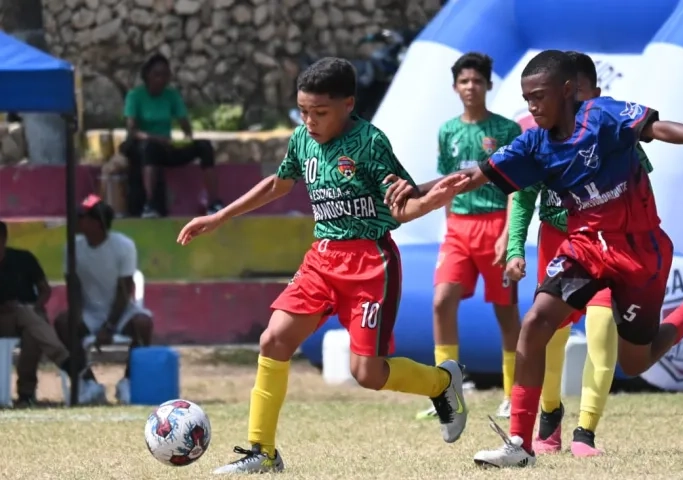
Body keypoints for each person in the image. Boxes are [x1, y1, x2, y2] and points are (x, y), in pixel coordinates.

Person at [384, 49, 683, 468]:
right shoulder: (534, 144)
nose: (532, 106)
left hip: (639, 251)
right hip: (585, 247)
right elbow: (472, 176)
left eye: (539, 96)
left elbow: (657, 127)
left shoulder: (602, 116)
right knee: (536, 322)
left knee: (635, 362)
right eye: (527, 98)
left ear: (568, 91)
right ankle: (520, 443)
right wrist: (417, 191)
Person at [176, 57, 471, 475]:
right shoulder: (302, 140)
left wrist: (436, 199)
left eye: (320, 112)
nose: (310, 121)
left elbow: (403, 206)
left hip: (371, 263)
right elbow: (279, 184)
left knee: (366, 373)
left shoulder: (370, 143)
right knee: (273, 339)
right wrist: (220, 216)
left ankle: (442, 383)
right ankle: (263, 452)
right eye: (303, 112)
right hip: (322, 258)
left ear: (348, 104)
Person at [504, 51, 656, 457]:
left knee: (603, 334)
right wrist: (515, 248)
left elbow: (641, 191)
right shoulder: (541, 139)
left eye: (586, 99)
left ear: (591, 94)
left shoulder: (613, 131)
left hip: (612, 246)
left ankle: (586, 431)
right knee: (548, 336)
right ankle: (549, 416)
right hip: (560, 240)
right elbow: (521, 200)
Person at [415, 52, 523, 422]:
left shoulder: (507, 130)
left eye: (477, 81)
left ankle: (513, 394)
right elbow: (447, 184)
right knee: (441, 301)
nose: (471, 87)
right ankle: (445, 391)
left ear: (488, 85)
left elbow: (516, 186)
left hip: (496, 225)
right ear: (455, 87)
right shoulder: (447, 131)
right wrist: (448, 228)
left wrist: (509, 234)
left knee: (506, 312)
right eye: (464, 81)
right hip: (459, 229)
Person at [53, 195, 154, 405]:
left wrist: (109, 326)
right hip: (89, 312)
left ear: (96, 222)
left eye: (81, 216)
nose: (74, 220)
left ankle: (128, 382)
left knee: (143, 324)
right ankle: (88, 383)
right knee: (63, 323)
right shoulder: (71, 248)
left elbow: (124, 291)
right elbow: (74, 289)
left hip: (121, 310)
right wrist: (79, 318)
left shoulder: (124, 246)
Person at [122, 53, 224, 218]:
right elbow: (132, 131)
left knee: (204, 146)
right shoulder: (135, 96)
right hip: (145, 147)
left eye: (165, 75)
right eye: (157, 75)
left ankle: (214, 202)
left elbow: (184, 124)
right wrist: (154, 138)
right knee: (150, 149)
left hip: (167, 147)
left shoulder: (171, 95)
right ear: (148, 76)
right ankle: (150, 204)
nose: (161, 79)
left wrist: (187, 135)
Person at [0, 220, 75, 406]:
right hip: (3, 319)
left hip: (28, 315)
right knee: (30, 319)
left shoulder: (23, 259)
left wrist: (36, 306)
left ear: (4, 239)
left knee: (32, 330)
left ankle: (26, 395)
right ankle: (68, 363)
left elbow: (44, 289)